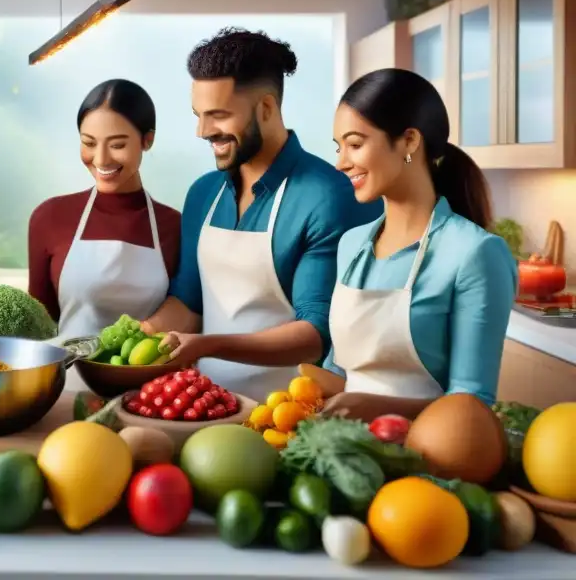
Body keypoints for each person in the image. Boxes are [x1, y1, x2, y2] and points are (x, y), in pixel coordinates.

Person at [144, 28, 381, 396]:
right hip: (205, 403)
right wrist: (137, 333)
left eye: (218, 115)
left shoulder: (329, 197)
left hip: (292, 413)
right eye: (198, 115)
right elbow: (189, 303)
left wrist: (208, 344)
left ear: (266, 108)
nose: (203, 131)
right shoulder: (203, 193)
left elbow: (317, 334)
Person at [315, 68, 518, 421]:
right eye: (339, 148)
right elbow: (338, 369)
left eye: (355, 144)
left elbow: (472, 405)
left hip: (428, 462)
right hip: (345, 451)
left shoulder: (474, 253)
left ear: (409, 141)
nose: (341, 162)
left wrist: (375, 408)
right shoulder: (352, 245)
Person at [28, 79, 181, 341]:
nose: (101, 159)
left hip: (148, 379)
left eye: (117, 145)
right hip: (68, 376)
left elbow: (185, 316)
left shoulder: (176, 227)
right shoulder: (49, 217)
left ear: (148, 140)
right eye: (89, 143)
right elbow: (37, 324)